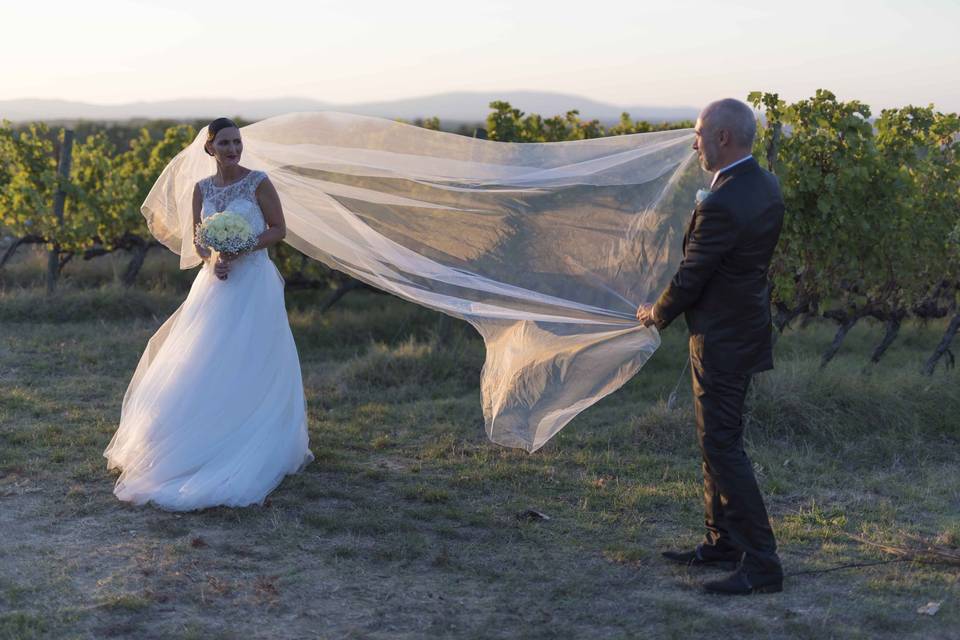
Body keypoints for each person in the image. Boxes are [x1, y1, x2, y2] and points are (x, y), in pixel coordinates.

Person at [103, 117, 313, 511]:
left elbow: (279, 229)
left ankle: (255, 433)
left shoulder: (258, 182)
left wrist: (244, 245)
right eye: (225, 144)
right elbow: (199, 242)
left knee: (254, 357)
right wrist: (214, 255)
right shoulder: (201, 190)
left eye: (237, 143)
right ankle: (201, 434)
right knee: (205, 358)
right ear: (210, 148)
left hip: (254, 281)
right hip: (216, 283)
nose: (233, 150)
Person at [636, 98, 785, 595]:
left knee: (722, 445)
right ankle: (723, 542)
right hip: (741, 330)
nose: (694, 142)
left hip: (721, 338)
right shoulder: (764, 185)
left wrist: (654, 314)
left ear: (723, 137)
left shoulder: (722, 201)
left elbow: (693, 275)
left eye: (699, 133)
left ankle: (762, 564)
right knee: (716, 441)